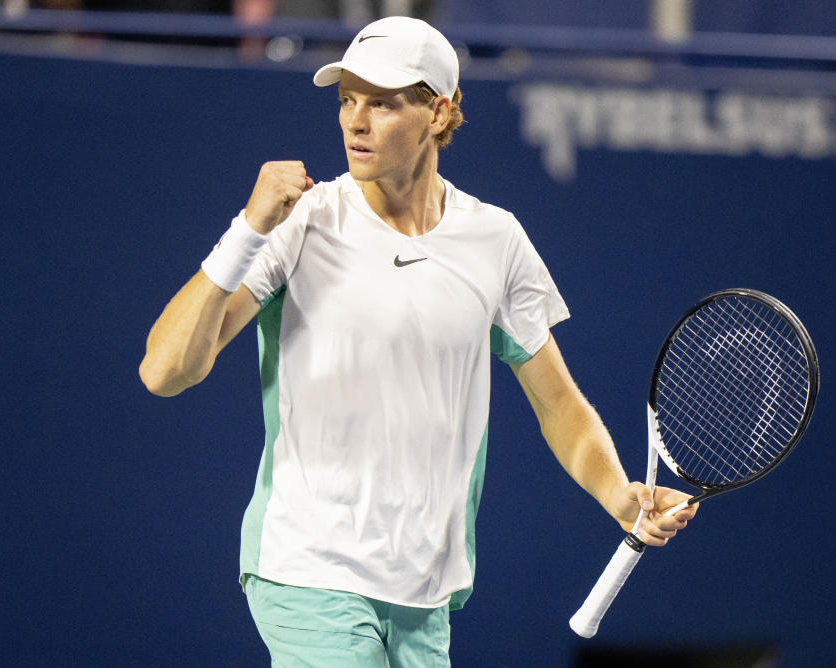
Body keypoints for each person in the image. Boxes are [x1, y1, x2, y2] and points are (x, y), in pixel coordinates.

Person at [139, 16, 697, 667]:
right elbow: (165, 371)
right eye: (348, 98)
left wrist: (621, 495)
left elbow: (559, 406)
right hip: (309, 569)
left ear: (440, 111)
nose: (355, 120)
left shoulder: (497, 240)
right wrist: (248, 229)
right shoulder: (303, 223)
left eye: (382, 102)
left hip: (426, 593)